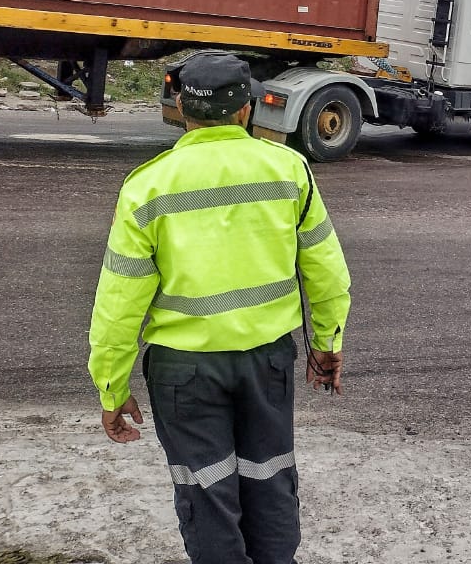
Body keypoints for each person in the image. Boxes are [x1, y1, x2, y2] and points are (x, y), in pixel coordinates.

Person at [88, 50, 351, 564]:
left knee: (207, 494)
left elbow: (119, 303)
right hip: (266, 362)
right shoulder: (288, 170)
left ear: (181, 107)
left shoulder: (147, 185)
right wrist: (326, 345)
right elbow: (327, 272)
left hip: (184, 374)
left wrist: (112, 386)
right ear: (247, 108)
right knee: (270, 479)